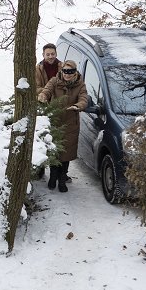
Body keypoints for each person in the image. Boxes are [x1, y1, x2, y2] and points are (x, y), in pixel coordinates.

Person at [37, 60, 88, 192]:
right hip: (55, 121)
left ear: (75, 72)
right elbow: (47, 90)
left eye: (70, 72)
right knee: (55, 150)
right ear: (62, 71)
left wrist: (78, 106)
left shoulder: (80, 85)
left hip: (71, 123)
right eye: (65, 71)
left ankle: (62, 177)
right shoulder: (54, 81)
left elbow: (84, 99)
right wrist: (42, 95)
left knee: (67, 152)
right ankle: (53, 176)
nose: (67, 74)